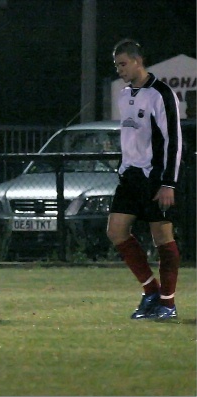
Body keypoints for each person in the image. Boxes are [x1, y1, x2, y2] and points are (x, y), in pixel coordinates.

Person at [108, 39, 183, 321]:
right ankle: (151, 291)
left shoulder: (161, 94)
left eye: (123, 64)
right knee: (116, 231)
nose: (120, 70)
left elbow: (174, 141)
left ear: (138, 61)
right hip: (130, 177)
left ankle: (168, 302)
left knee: (162, 237)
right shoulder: (124, 94)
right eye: (116, 65)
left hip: (155, 178)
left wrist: (169, 183)